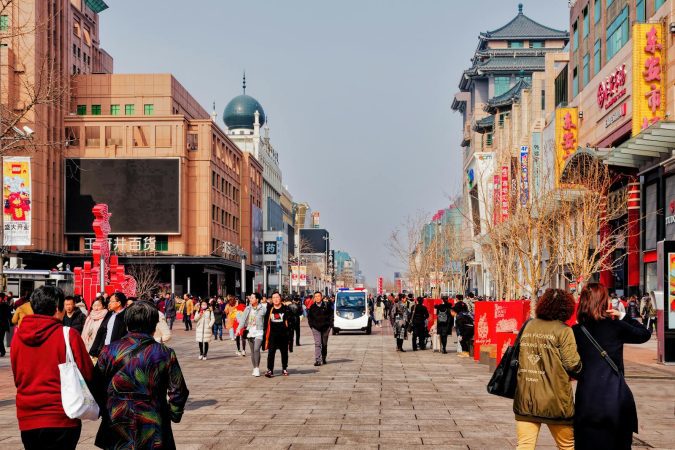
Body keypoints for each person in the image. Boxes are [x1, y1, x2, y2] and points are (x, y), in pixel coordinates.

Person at [94, 301, 189, 450]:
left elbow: (96, 385)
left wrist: (105, 409)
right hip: (153, 421)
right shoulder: (165, 353)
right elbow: (178, 391)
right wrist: (174, 414)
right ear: (154, 324)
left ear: (127, 323)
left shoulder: (109, 351)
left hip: (117, 421)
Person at [11, 286, 94, 450]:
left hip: (28, 417)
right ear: (58, 308)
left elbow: (17, 376)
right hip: (62, 416)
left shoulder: (17, 338)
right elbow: (88, 373)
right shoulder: (68, 334)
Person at [572, 283, 652, 450]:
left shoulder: (576, 331)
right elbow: (644, 334)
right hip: (615, 398)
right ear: (604, 301)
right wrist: (623, 316)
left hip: (587, 400)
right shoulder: (615, 326)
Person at [513, 289, 582, 450]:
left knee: (524, 446)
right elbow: (572, 364)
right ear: (566, 308)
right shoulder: (564, 330)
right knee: (567, 446)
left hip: (527, 396)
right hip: (556, 399)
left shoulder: (528, 326)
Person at [89, 292, 128, 359]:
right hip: (105, 350)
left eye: (111, 301)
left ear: (119, 303)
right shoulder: (109, 314)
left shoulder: (126, 316)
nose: (109, 303)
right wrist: (94, 350)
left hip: (118, 353)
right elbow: (101, 332)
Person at [238, 293, 267, 377]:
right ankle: (254, 367)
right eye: (250, 298)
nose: (250, 299)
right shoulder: (247, 308)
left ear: (257, 299)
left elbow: (266, 319)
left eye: (252, 298)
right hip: (250, 331)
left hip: (259, 331)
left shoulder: (263, 309)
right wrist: (238, 329)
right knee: (252, 351)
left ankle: (257, 368)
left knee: (256, 349)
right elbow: (243, 320)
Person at [263, 291, 291, 377]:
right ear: (272, 299)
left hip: (283, 335)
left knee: (284, 353)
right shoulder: (270, 309)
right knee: (271, 353)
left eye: (277, 297)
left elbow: (290, 322)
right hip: (272, 335)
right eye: (274, 298)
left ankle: (284, 368)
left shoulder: (286, 309)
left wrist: (289, 334)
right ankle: (270, 370)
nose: (275, 299)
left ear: (280, 298)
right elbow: (265, 322)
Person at [307, 291, 333, 366]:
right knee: (318, 343)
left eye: (318, 296)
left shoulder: (326, 306)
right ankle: (318, 360)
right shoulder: (312, 307)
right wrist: (311, 326)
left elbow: (331, 315)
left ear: (321, 297)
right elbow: (309, 317)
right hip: (315, 328)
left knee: (324, 344)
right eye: (316, 296)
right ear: (314, 298)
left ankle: (324, 357)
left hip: (325, 328)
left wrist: (330, 325)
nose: (317, 297)